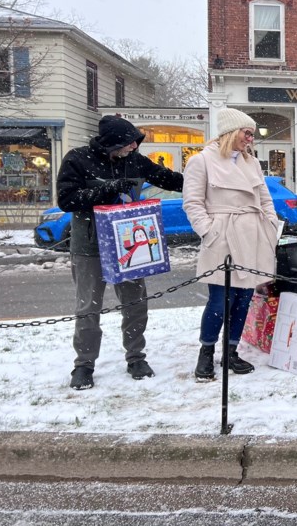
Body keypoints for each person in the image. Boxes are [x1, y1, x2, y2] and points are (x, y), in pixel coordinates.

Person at [57, 116, 184, 391]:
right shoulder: (77, 159)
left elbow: (169, 179)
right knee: (88, 308)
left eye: (135, 143)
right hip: (89, 247)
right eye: (128, 144)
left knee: (136, 304)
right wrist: (105, 190)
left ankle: (136, 358)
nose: (133, 148)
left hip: (129, 246)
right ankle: (84, 365)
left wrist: (201, 178)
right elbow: (66, 200)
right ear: (112, 142)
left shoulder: (136, 160)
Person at [182, 107, 280, 381]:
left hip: (253, 234)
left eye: (251, 134)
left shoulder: (252, 163)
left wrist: (270, 226)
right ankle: (206, 352)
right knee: (219, 301)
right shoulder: (201, 161)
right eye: (246, 133)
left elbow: (264, 198)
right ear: (230, 132)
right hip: (223, 236)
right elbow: (192, 203)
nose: (250, 138)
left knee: (244, 299)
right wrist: (210, 232)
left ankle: (231, 352)